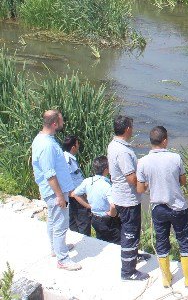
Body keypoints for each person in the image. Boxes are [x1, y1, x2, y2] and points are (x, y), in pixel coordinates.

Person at [137, 126, 188, 288]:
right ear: (165, 140)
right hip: (177, 207)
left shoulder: (143, 162)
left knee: (161, 242)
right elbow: (183, 181)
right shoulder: (175, 157)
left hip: (158, 208)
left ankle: (166, 278)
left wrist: (152, 183)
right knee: (184, 240)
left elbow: (140, 189)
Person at [31, 110, 80, 270]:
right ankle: (63, 260)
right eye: (61, 121)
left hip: (53, 191)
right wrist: (60, 195)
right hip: (54, 192)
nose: (63, 123)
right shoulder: (46, 145)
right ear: (54, 124)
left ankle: (56, 249)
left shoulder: (44, 139)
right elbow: (50, 174)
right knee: (60, 224)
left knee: (52, 220)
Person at [108, 115, 149, 281]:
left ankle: (134, 255)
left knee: (131, 231)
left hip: (120, 196)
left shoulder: (114, 145)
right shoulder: (123, 151)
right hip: (128, 200)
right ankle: (128, 271)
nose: (132, 129)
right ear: (127, 129)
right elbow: (131, 179)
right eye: (131, 127)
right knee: (130, 233)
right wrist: (145, 185)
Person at [72, 156, 121, 244]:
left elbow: (75, 194)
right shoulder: (107, 185)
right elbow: (113, 205)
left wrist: (88, 206)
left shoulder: (87, 181)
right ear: (106, 169)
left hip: (95, 218)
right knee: (116, 241)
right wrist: (112, 214)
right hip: (108, 220)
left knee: (101, 240)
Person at [62, 135, 91, 236]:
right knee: (84, 222)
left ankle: (74, 239)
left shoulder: (64, 157)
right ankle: (85, 245)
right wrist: (85, 200)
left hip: (68, 196)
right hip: (76, 196)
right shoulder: (69, 161)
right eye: (77, 144)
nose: (78, 146)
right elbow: (74, 180)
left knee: (72, 221)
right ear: (73, 147)